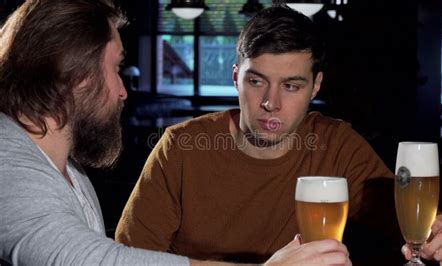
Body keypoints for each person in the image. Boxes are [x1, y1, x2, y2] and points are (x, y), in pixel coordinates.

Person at [0, 1, 351, 265]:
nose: (124, 91)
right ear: (78, 76)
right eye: (116, 67)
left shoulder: (68, 172)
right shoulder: (8, 164)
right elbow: (89, 260)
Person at [115, 4, 442, 265]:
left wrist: (435, 238)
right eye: (256, 81)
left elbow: (407, 220)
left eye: (292, 86)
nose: (270, 103)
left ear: (316, 86)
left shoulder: (336, 143)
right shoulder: (181, 147)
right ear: (235, 77)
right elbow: (127, 261)